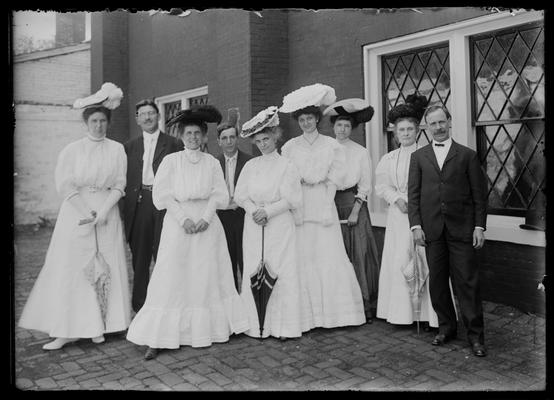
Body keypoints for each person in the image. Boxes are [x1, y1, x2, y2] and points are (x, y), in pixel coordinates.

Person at [126, 105, 249, 360]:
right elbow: (163, 195)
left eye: (197, 133)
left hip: (207, 225)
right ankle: (161, 336)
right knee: (172, 275)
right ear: (181, 136)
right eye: (188, 133)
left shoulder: (212, 162)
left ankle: (212, 328)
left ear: (204, 137)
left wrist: (205, 217)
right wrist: (183, 219)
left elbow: (219, 193)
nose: (193, 137)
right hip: (178, 224)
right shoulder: (172, 161)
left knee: (206, 274)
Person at [18, 83, 131, 350]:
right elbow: (65, 185)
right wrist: (86, 212)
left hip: (107, 213)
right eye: (94, 121)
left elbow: (119, 184)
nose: (99, 126)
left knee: (106, 266)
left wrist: (103, 212)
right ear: (86, 122)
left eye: (103, 121)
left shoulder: (117, 150)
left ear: (108, 122)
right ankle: (67, 329)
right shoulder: (72, 150)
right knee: (72, 267)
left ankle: (100, 325)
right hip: (77, 213)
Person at [279, 84, 366, 330]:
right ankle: (307, 316)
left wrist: (325, 203)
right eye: (302, 119)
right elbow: (286, 179)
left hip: (323, 203)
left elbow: (335, 178)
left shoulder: (331, 145)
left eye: (311, 118)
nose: (307, 123)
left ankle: (336, 315)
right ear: (298, 121)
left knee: (328, 254)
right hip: (300, 204)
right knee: (304, 256)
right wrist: (297, 199)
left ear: (318, 119)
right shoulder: (290, 147)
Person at [408, 103, 488, 357]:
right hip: (432, 229)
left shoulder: (467, 155)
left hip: (462, 228)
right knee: (438, 283)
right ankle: (447, 327)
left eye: (442, 122)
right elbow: (414, 195)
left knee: (467, 283)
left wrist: (479, 225)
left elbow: (479, 195)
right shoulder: (418, 157)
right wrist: (416, 225)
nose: (438, 127)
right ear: (427, 127)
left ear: (449, 121)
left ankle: (476, 337)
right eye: (433, 123)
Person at [375, 94, 449, 330]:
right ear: (395, 133)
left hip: (424, 215)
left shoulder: (428, 155)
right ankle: (401, 313)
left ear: (418, 131)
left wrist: (419, 203)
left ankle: (429, 314)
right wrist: (396, 199)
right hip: (399, 216)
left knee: (424, 261)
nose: (405, 134)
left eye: (410, 129)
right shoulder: (389, 158)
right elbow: (381, 186)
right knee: (400, 259)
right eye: (401, 130)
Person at [234, 106, 304, 339]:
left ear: (276, 137)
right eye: (259, 140)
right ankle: (256, 325)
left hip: (279, 224)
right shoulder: (251, 166)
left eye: (267, 138)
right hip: (253, 224)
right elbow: (240, 195)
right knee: (255, 267)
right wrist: (254, 210)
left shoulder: (287, 165)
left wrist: (269, 211)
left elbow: (292, 198)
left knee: (280, 269)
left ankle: (283, 326)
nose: (263, 144)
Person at [122, 99, 184, 313]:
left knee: (165, 256)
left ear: (158, 116)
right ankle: (140, 308)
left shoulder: (174, 144)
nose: (147, 117)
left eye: (151, 113)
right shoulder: (129, 147)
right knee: (140, 260)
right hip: (139, 206)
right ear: (137, 119)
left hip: (164, 205)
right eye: (143, 114)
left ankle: (166, 306)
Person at [323, 98, 380, 323]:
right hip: (329, 203)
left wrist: (356, 210)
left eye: (347, 126)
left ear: (352, 128)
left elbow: (365, 184)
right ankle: (338, 306)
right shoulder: (326, 149)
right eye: (339, 125)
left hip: (353, 203)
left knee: (358, 252)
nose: (343, 130)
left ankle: (363, 304)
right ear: (333, 127)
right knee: (335, 253)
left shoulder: (360, 152)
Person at [216, 109, 252, 292]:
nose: (229, 141)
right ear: (219, 141)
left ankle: (248, 299)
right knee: (226, 261)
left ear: (237, 139)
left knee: (245, 259)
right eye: (225, 138)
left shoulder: (249, 162)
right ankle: (232, 302)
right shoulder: (213, 163)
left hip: (243, 216)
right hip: (222, 217)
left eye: (232, 137)